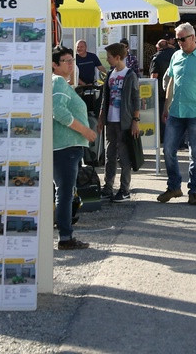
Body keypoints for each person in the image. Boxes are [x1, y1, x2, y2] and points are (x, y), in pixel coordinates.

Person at [159, 22, 196, 205]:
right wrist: (166, 106)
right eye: (177, 39)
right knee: (168, 150)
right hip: (176, 111)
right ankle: (174, 186)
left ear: (193, 38)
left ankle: (194, 191)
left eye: (182, 39)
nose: (179, 42)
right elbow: (171, 81)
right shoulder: (176, 56)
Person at [51, 46, 97, 249]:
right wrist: (84, 131)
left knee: (65, 191)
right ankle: (65, 237)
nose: (71, 64)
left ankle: (65, 234)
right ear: (54, 65)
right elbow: (57, 110)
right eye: (66, 61)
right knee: (65, 192)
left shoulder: (62, 83)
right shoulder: (58, 81)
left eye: (72, 60)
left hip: (67, 145)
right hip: (65, 146)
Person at [99, 43, 140, 203]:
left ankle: (124, 190)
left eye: (109, 57)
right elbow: (105, 98)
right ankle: (107, 187)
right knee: (110, 156)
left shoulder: (130, 74)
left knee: (124, 157)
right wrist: (102, 118)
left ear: (117, 57)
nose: (107, 60)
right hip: (111, 121)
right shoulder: (110, 74)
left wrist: (135, 120)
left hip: (125, 122)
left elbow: (136, 99)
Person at [149, 39, 175, 140]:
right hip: (175, 90)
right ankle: (179, 140)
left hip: (160, 92)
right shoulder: (175, 54)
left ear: (158, 47)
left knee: (162, 116)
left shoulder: (157, 57)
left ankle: (164, 137)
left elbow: (154, 76)